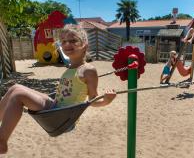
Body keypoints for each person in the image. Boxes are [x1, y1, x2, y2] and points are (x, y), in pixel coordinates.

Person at [0, 24, 116, 154]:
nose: (67, 44)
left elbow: (92, 101)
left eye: (73, 41)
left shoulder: (88, 70)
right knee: (15, 88)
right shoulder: (70, 67)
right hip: (55, 107)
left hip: (63, 117)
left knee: (18, 96)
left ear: (85, 44)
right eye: (64, 41)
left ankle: (2, 141)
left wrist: (107, 100)